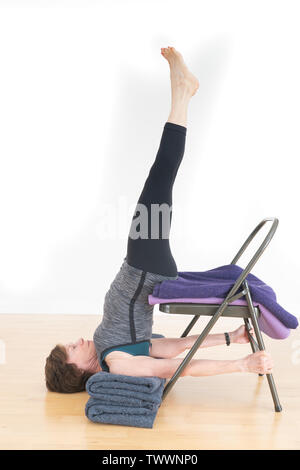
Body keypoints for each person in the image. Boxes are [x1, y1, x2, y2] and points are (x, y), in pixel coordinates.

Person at [45, 46, 273, 393]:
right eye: (73, 348)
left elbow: (168, 346)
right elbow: (176, 368)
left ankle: (183, 90)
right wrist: (241, 365)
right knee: (162, 174)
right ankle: (182, 91)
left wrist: (230, 336)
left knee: (160, 176)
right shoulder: (118, 362)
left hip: (141, 262)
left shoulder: (108, 347)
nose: (77, 340)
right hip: (145, 266)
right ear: (77, 369)